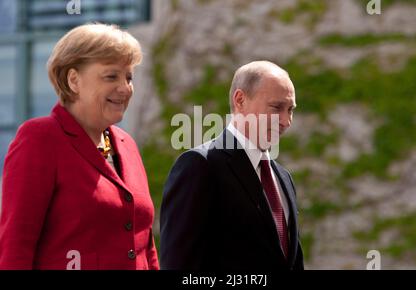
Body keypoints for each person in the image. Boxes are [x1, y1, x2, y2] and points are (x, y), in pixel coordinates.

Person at [0, 23, 159, 270]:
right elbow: (15, 247)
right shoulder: (39, 139)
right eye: (111, 76)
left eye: (129, 77)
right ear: (74, 80)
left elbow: (145, 246)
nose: (125, 88)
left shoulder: (127, 145)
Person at [160, 60, 304, 270]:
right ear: (240, 100)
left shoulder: (283, 178)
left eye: (290, 109)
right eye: (276, 107)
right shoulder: (200, 166)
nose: (286, 120)